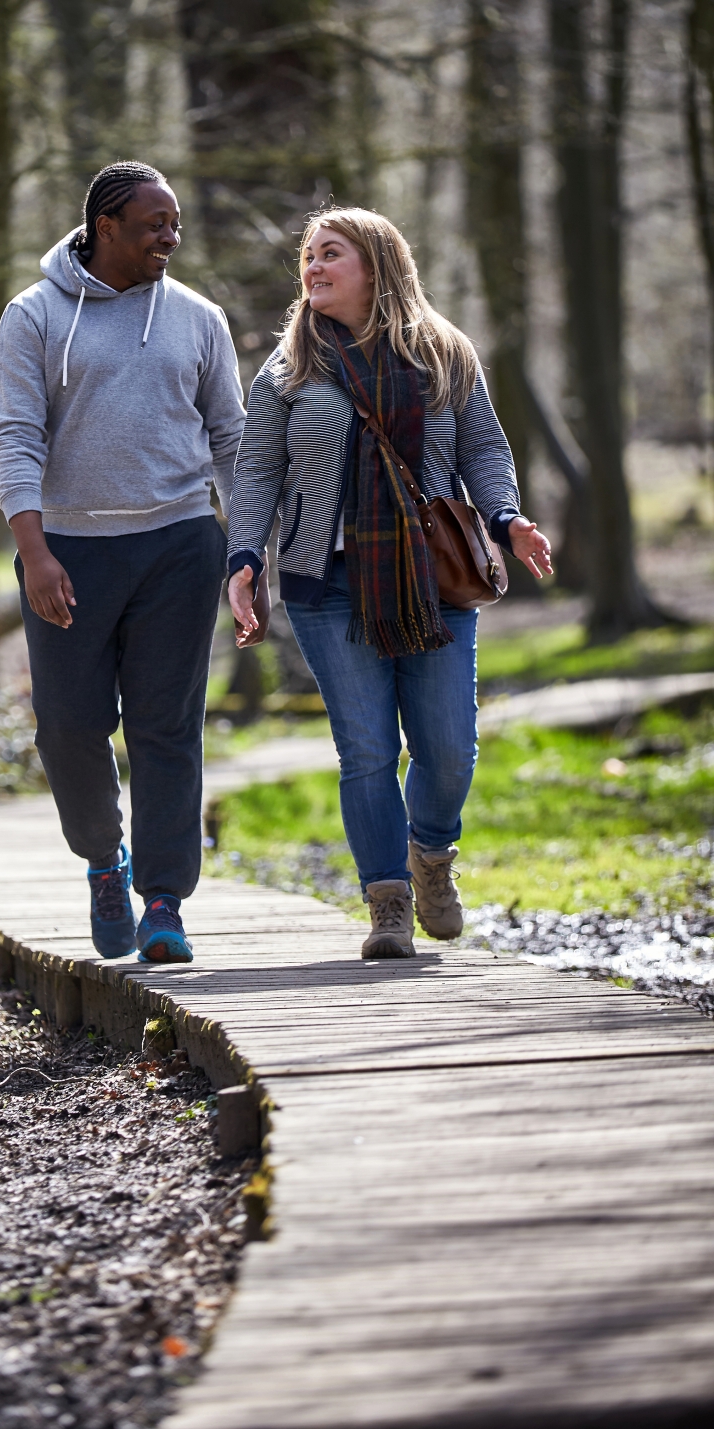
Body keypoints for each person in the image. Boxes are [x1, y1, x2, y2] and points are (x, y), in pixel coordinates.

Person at [227, 207, 552, 960]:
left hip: (433, 577)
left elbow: (484, 449)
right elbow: (257, 472)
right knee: (366, 750)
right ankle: (387, 904)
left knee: (448, 747)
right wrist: (244, 557)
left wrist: (507, 518)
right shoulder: (287, 370)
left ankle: (431, 855)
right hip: (326, 579)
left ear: (376, 266)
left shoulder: (444, 354)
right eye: (306, 255)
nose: (312, 267)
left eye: (329, 254)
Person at [0, 161, 251, 964]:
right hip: (67, 551)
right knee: (68, 729)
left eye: (174, 224)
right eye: (153, 225)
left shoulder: (198, 319)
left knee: (167, 729)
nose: (170, 237)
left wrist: (246, 555)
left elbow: (233, 441)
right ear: (106, 227)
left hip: (178, 544)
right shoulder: (32, 316)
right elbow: (15, 434)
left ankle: (165, 902)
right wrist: (33, 550)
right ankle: (106, 861)